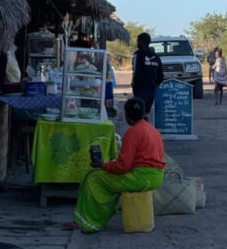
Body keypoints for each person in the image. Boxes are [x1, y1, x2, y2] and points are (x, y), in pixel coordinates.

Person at [66, 98, 165, 233]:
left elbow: (123, 166)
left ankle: (87, 222)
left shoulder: (133, 132)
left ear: (127, 116)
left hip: (141, 178)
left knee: (93, 177)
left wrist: (103, 165)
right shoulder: (152, 130)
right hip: (156, 177)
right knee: (106, 178)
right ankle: (97, 217)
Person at [130, 33, 164, 116]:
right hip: (151, 90)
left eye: (138, 41)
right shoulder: (156, 57)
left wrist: (135, 86)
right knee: (146, 113)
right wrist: (154, 84)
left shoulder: (137, 54)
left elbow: (135, 72)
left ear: (142, 42)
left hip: (140, 89)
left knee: (138, 114)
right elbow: (160, 76)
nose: (137, 44)